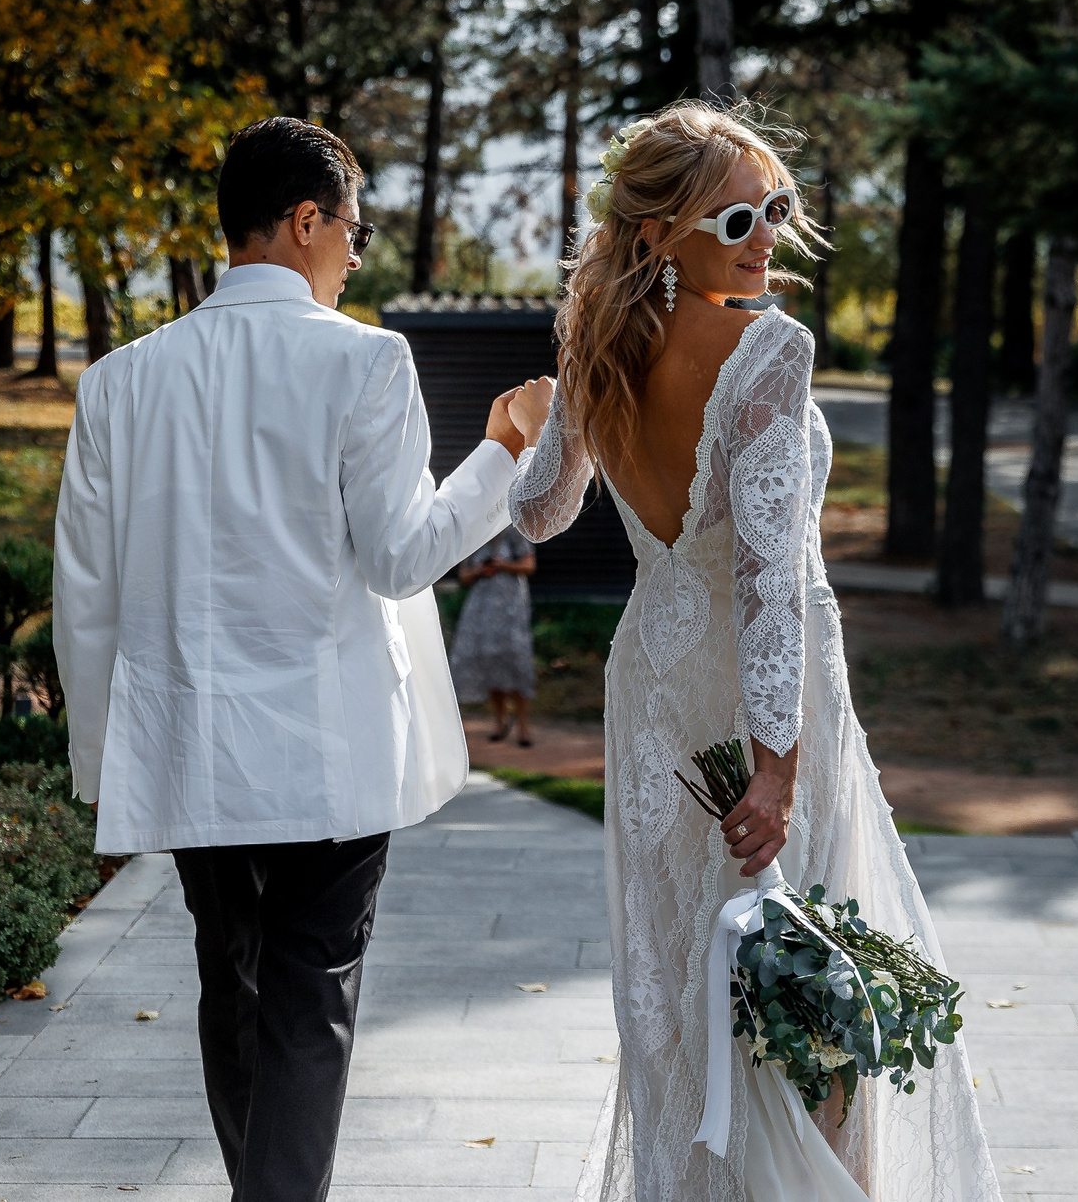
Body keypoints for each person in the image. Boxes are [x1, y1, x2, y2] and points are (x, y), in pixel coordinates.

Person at [51, 115, 553, 1202]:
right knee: (308, 993)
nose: (356, 255)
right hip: (330, 747)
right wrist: (502, 450)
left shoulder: (119, 381)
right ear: (306, 219)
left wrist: (101, 762)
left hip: (189, 745)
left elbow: (85, 594)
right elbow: (402, 556)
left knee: (231, 986)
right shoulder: (366, 359)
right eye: (355, 231)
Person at [511, 103, 999, 1202]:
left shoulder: (595, 346)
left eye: (772, 208)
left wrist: (525, 428)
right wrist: (776, 765)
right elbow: (769, 577)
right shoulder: (770, 349)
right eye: (734, 219)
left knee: (689, 981)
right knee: (806, 985)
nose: (765, 236)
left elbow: (539, 511)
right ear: (657, 235)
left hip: (652, 688)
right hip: (761, 696)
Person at [452, 527, 539, 745]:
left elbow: (529, 565)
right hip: (483, 609)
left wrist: (503, 565)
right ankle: (500, 721)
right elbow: (464, 575)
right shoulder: (476, 533)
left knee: (516, 660)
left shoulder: (514, 532)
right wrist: (481, 570)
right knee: (490, 659)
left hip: (511, 609)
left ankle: (523, 727)